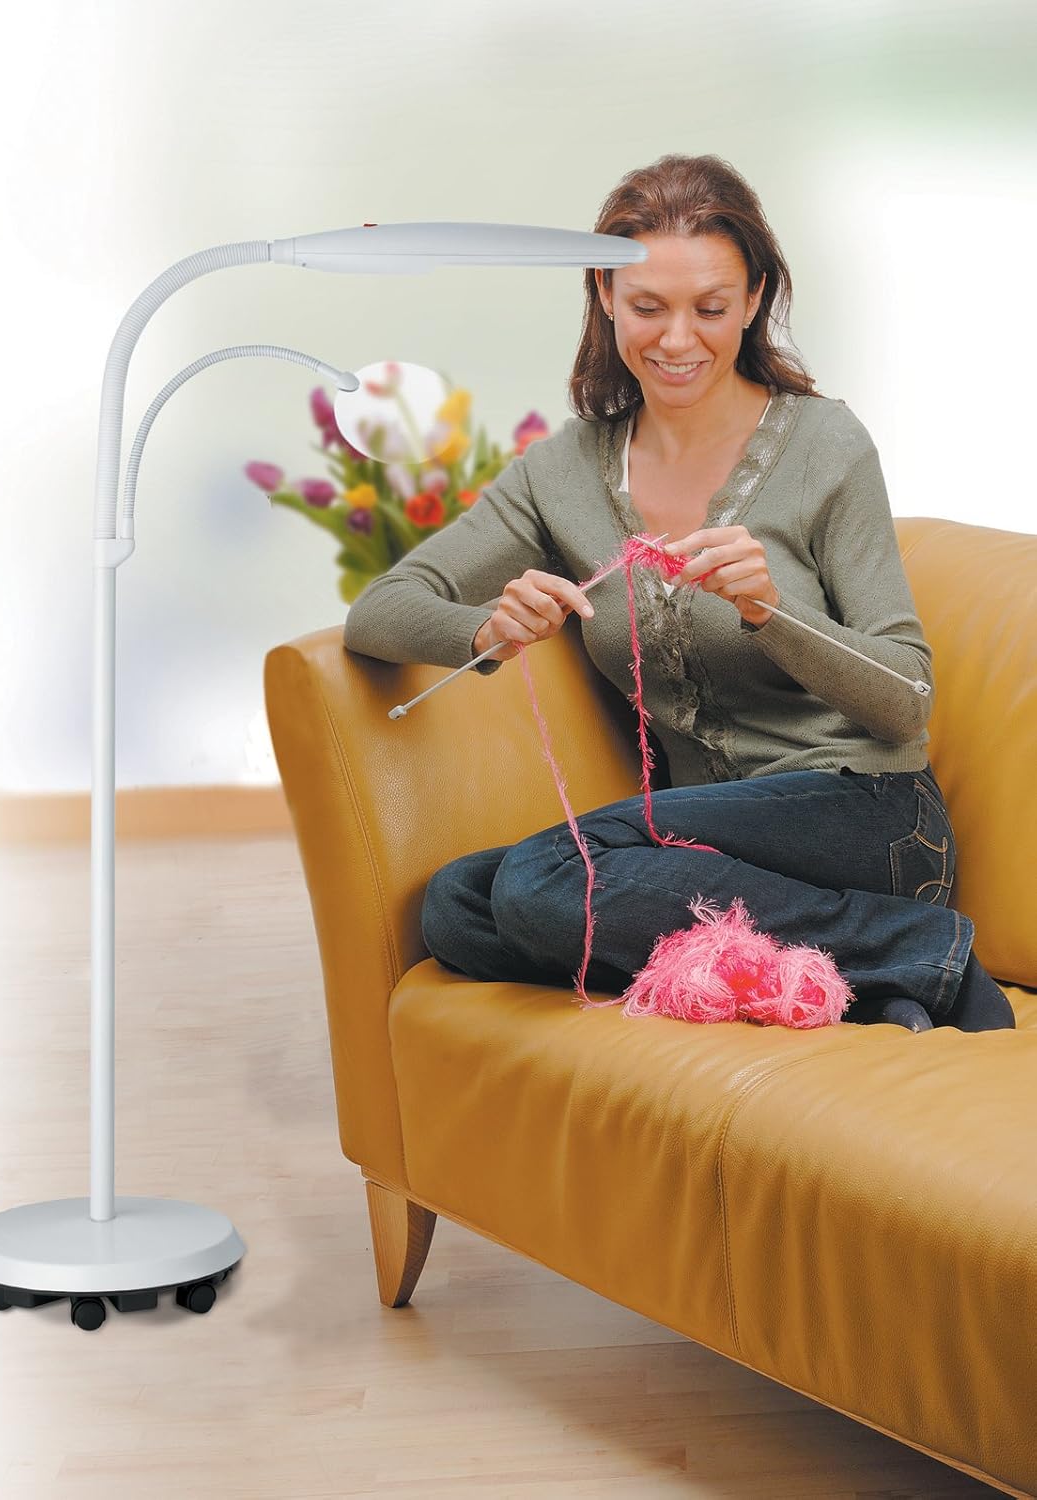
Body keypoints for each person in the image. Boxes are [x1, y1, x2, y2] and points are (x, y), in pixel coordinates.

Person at [342, 152, 1015, 1034]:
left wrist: (771, 610)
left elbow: (905, 699)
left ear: (755, 298)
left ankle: (922, 949)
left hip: (866, 819)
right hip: (707, 851)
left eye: (710, 308)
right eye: (648, 306)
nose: (676, 339)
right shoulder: (566, 472)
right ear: (604, 294)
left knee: (543, 878)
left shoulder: (825, 445)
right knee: (457, 908)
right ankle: (851, 982)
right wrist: (483, 629)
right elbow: (379, 611)